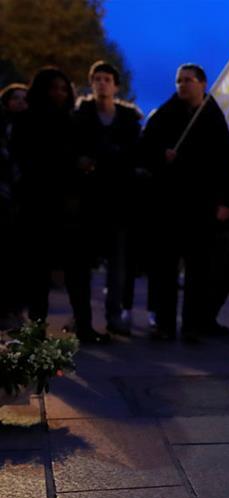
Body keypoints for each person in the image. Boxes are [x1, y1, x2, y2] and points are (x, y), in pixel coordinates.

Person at [139, 63, 229, 343]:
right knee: (165, 268)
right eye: (179, 80)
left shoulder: (217, 118)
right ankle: (164, 324)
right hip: (169, 204)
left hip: (203, 204)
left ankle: (193, 324)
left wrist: (227, 201)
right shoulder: (163, 116)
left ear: (202, 84)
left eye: (188, 80)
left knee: (199, 269)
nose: (182, 85)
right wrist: (161, 156)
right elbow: (144, 151)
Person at [11, 67, 109, 343]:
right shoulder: (27, 121)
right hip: (39, 205)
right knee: (38, 273)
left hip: (72, 208)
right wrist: (70, 162)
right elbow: (30, 159)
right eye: (53, 88)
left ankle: (84, 325)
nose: (59, 94)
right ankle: (36, 329)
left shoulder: (74, 121)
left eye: (64, 89)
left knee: (77, 272)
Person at [73, 61, 143, 337]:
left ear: (115, 86)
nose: (101, 83)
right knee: (82, 264)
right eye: (97, 79)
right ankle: (82, 317)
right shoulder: (80, 116)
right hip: (88, 199)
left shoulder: (128, 120)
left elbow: (135, 155)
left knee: (117, 264)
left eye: (106, 79)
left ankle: (115, 316)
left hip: (118, 200)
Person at [0, 83, 28, 329]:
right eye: (15, 98)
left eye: (24, 98)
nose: (20, 102)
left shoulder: (32, 129)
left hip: (22, 199)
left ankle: (16, 309)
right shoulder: (3, 129)